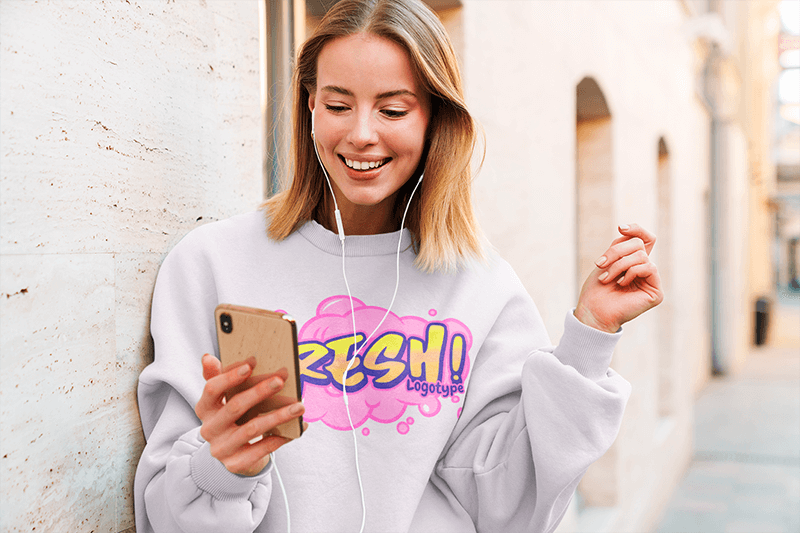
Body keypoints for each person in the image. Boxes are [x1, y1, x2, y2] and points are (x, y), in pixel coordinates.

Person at [133, 0, 663, 531]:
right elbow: (162, 508)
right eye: (338, 106)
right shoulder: (210, 265)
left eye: (392, 110)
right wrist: (221, 468)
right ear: (309, 106)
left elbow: (512, 506)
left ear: (436, 118)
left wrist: (591, 332)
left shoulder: (481, 286)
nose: (362, 133)